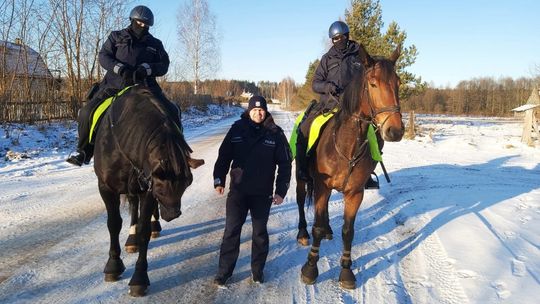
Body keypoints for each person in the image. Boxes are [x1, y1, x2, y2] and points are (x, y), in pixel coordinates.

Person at [67, 5, 173, 166]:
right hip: (114, 86)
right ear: (132, 20)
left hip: (146, 87)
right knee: (86, 112)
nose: (142, 27)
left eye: (146, 25)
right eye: (139, 23)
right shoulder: (116, 37)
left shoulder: (155, 43)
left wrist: (147, 69)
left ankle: (177, 151)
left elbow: (164, 65)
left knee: (173, 110)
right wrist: (119, 68)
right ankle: (84, 151)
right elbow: (103, 56)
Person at [213, 96, 292, 286]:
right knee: (231, 231)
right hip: (238, 192)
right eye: (254, 110)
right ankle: (224, 272)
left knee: (259, 234)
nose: (258, 112)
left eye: (261, 110)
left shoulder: (275, 133)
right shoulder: (237, 129)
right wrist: (219, 179)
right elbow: (224, 155)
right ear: (249, 111)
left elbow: (285, 164)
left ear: (266, 112)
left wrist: (281, 190)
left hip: (262, 193)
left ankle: (257, 272)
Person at [295, 20, 379, 189]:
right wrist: (328, 87)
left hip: (353, 107)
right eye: (334, 39)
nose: (337, 41)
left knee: (375, 134)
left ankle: (367, 173)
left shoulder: (358, 56)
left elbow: (370, 77)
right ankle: (303, 169)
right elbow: (315, 83)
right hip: (328, 105)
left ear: (347, 37)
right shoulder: (327, 59)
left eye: (341, 37)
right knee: (305, 128)